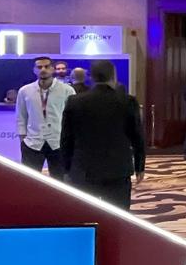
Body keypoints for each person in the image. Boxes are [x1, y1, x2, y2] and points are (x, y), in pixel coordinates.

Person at [61, 60, 145, 210]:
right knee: (117, 214)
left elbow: (67, 139)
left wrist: (66, 169)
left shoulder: (75, 102)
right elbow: (137, 137)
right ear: (114, 76)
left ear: (91, 77)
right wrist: (140, 166)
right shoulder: (127, 101)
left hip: (83, 169)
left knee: (85, 213)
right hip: (117, 169)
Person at [15, 55, 75, 179]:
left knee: (59, 182)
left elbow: (72, 117)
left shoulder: (67, 90)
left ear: (52, 69)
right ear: (34, 70)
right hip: (32, 142)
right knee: (29, 181)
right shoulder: (25, 91)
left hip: (58, 142)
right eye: (39, 67)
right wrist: (23, 139)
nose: (43, 69)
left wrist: (70, 140)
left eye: (46, 66)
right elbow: (21, 116)